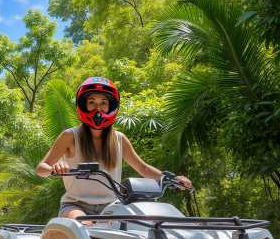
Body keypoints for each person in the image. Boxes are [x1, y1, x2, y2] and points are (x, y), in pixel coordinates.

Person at [36, 76, 192, 219]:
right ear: (83, 105)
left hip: (112, 206)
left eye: (103, 102)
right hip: (75, 205)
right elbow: (41, 169)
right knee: (85, 224)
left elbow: (142, 168)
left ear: (111, 106)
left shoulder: (119, 139)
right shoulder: (70, 136)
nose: (98, 108)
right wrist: (54, 168)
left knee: (143, 227)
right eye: (92, 102)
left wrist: (171, 179)